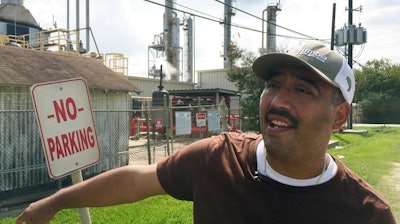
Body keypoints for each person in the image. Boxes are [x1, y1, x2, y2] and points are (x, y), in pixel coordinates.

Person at [16, 42, 396, 224]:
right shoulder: (219, 159)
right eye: (273, 84)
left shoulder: (366, 215)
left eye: (302, 89)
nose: (278, 100)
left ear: (338, 116)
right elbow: (136, 180)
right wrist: (52, 203)